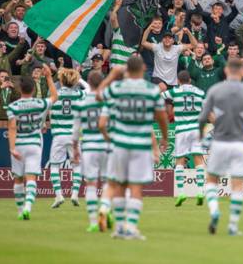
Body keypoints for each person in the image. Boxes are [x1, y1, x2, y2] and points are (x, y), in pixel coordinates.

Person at [98, 56, 169, 240]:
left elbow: (98, 95)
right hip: (141, 145)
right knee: (136, 187)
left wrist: (111, 76)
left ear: (125, 70)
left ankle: (120, 228)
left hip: (119, 143)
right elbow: (161, 116)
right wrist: (165, 138)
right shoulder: (152, 90)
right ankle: (131, 227)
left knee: (120, 185)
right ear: (144, 68)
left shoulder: (116, 88)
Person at [199, 58, 243, 236]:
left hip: (220, 141)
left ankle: (214, 211)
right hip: (241, 142)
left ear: (227, 70)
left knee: (211, 181)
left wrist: (200, 135)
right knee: (238, 185)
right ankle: (233, 226)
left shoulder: (216, 89)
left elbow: (202, 116)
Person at [8, 64, 58, 220]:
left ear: (20, 89)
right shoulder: (40, 103)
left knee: (18, 178)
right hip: (34, 144)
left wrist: (12, 148)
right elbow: (55, 97)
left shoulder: (13, 107)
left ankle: (20, 210)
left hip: (19, 145)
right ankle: (28, 207)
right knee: (31, 178)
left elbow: (12, 128)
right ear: (33, 90)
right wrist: (49, 77)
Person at [71, 71, 110, 232]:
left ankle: (93, 222)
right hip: (107, 146)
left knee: (92, 185)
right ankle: (106, 209)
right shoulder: (108, 102)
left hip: (89, 146)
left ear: (88, 82)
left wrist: (75, 149)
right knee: (109, 182)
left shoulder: (81, 103)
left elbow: (75, 130)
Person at [162, 71, 207, 207]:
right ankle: (200, 191)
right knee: (198, 159)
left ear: (178, 80)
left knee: (179, 161)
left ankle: (181, 192)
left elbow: (159, 97)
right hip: (195, 128)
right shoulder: (199, 92)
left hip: (181, 129)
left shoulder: (175, 91)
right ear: (190, 80)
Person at [49, 68, 87, 209]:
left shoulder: (55, 95)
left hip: (58, 135)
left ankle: (58, 195)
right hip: (74, 135)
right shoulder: (79, 94)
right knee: (77, 165)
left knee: (54, 166)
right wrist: (80, 79)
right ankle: (75, 194)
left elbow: (49, 111)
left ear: (61, 80)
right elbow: (89, 89)